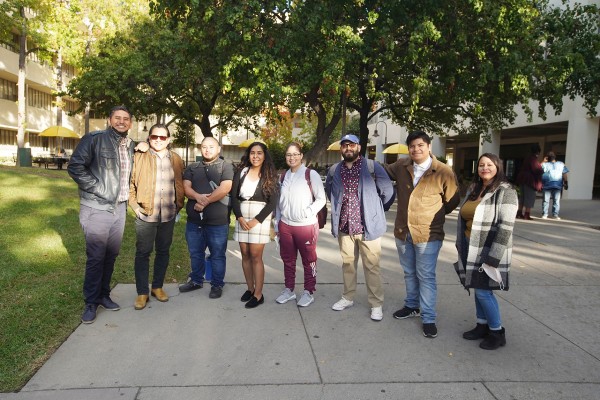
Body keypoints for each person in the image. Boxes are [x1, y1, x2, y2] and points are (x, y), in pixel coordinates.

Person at [384, 130, 459, 338]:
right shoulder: (401, 165)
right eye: (412, 146)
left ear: (428, 147)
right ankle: (412, 305)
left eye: (420, 145)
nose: (416, 149)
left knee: (426, 276)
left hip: (428, 234)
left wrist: (430, 216)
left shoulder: (443, 171)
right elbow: (382, 171)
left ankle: (428, 318)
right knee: (409, 272)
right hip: (403, 231)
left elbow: (452, 201)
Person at [68, 105, 135, 324]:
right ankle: (90, 302)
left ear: (131, 123)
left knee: (111, 255)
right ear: (109, 120)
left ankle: (104, 295)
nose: (121, 122)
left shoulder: (131, 146)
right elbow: (75, 166)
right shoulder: (94, 139)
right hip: (96, 207)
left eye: (126, 119)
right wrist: (100, 188)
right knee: (96, 257)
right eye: (117, 118)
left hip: (120, 208)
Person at [325, 134, 395, 321]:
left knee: (371, 267)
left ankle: (376, 304)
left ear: (359, 147)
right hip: (345, 226)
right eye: (345, 145)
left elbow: (387, 191)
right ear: (341, 149)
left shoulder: (372, 167)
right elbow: (329, 191)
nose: (348, 148)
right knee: (348, 265)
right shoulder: (334, 170)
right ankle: (348, 297)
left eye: (352, 145)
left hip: (368, 227)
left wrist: (377, 209)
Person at [454, 153, 517, 350]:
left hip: (487, 248)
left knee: (483, 292)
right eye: (481, 165)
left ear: (498, 166)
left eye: (489, 164)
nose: (485, 168)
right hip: (469, 244)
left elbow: (506, 227)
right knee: (476, 287)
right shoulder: (475, 188)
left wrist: (493, 258)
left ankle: (497, 332)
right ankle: (482, 325)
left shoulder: (505, 191)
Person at [128, 124, 185, 310]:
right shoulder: (139, 156)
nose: (158, 140)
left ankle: (157, 287)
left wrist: (178, 206)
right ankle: (142, 292)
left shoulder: (176, 159)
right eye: (154, 137)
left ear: (168, 139)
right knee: (143, 253)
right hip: (146, 214)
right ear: (149, 138)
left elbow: (180, 183)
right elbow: (130, 184)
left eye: (162, 137)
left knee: (163, 251)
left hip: (168, 214)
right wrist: (135, 207)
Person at [179, 137, 234, 299]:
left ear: (219, 149)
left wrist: (204, 202)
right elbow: (186, 187)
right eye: (204, 147)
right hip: (194, 222)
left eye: (211, 147)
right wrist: (197, 196)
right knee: (195, 253)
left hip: (218, 222)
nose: (207, 149)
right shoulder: (192, 167)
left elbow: (225, 188)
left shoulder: (226, 167)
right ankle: (196, 280)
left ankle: (217, 284)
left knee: (217, 254)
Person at [274, 142, 326, 307]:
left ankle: (308, 291)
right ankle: (289, 290)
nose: (292, 157)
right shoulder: (283, 176)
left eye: (295, 154)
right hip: (286, 225)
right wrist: (277, 224)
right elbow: (279, 203)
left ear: (301, 155)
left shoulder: (311, 174)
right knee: (288, 260)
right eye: (289, 154)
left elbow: (321, 199)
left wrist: (308, 212)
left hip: (305, 226)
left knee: (309, 260)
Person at [231, 142, 279, 308]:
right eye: (253, 153)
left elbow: (272, 203)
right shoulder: (241, 171)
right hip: (242, 217)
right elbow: (233, 197)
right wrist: (239, 217)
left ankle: (258, 294)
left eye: (259, 153)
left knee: (255, 256)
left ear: (264, 155)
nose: (256, 156)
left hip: (259, 217)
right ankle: (250, 289)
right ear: (248, 154)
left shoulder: (270, 175)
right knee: (244, 254)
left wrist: (256, 220)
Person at [515, 144, 542, 220]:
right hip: (530, 181)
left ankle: (519, 213)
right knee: (529, 197)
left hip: (522, 179)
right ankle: (527, 214)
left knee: (522, 197)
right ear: (538, 151)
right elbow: (537, 170)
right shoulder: (533, 159)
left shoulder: (527, 158)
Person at [541, 152, 569, 220]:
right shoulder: (561, 164)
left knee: (546, 200)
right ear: (555, 157)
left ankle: (545, 214)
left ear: (547, 158)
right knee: (556, 201)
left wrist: (543, 161)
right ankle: (555, 215)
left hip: (547, 185)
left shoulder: (545, 164)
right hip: (557, 185)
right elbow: (564, 174)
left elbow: (538, 168)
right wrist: (566, 183)